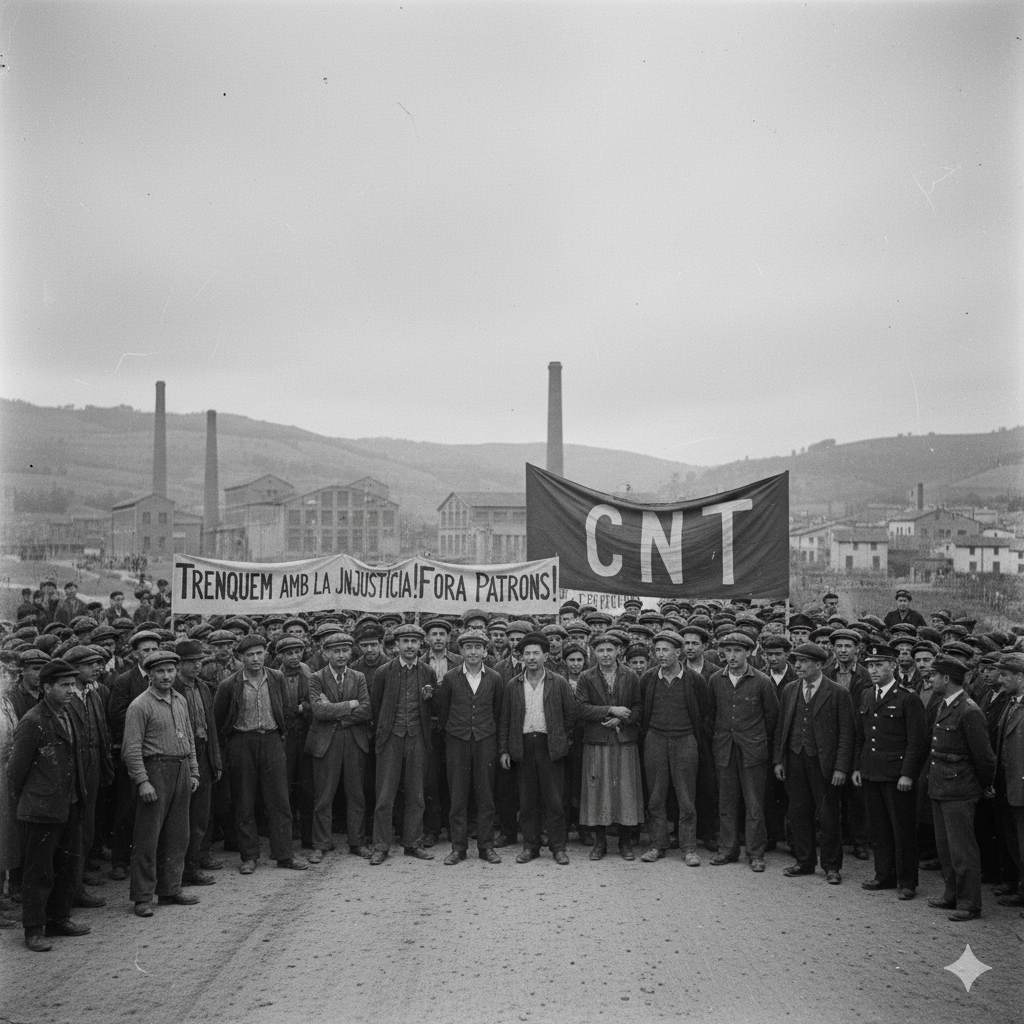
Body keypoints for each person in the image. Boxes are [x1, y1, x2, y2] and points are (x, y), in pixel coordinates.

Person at [7, 659, 90, 952]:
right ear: (46, 688)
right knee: (39, 871)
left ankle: (59, 918)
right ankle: (33, 929)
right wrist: (35, 799)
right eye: (64, 685)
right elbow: (15, 772)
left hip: (70, 803)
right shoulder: (33, 721)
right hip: (41, 808)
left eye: (72, 684)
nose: (71, 690)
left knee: (66, 866)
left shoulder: (67, 713)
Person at [213, 634, 309, 874]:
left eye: (259, 653)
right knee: (244, 801)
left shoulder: (276, 678)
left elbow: (285, 708)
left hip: (272, 740)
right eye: (249, 655)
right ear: (241, 658)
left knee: (279, 799)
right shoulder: (229, 684)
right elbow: (218, 719)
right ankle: (249, 857)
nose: (255, 659)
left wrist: (279, 735)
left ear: (265, 654)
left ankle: (284, 854)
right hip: (241, 741)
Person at [122, 650, 201, 917]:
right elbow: (131, 749)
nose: (166, 676)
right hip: (155, 769)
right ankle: (142, 896)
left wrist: (193, 771)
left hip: (180, 769)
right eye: (160, 671)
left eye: (170, 671)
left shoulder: (179, 699)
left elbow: (188, 738)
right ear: (150, 675)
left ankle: (170, 889)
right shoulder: (140, 705)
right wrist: (142, 781)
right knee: (148, 837)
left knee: (178, 835)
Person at [773, 643, 856, 885]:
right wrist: (779, 760)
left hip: (825, 763)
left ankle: (831, 866)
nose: (797, 665)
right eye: (796, 661)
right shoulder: (790, 689)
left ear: (819, 665)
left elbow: (846, 734)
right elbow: (782, 727)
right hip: (795, 759)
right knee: (798, 813)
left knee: (829, 815)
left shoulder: (838, 693)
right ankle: (804, 861)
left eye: (804, 661)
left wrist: (841, 767)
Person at [853, 643, 929, 900]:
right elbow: (861, 736)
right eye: (870, 665)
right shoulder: (866, 695)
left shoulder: (908, 698)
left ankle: (907, 881)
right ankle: (883, 874)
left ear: (893, 666)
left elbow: (917, 741)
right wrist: (857, 767)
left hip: (897, 775)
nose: (872, 670)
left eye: (878, 665)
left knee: (902, 829)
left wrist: (907, 773)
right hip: (872, 771)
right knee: (878, 828)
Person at [925, 655, 996, 921]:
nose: (930, 680)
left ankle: (969, 903)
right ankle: (951, 894)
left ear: (946, 678)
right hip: (941, 787)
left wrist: (984, 785)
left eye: (934, 675)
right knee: (946, 849)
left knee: (962, 850)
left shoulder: (969, 710)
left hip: (960, 789)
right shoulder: (945, 705)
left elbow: (985, 757)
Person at [498, 631, 576, 865]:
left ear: (545, 656)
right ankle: (530, 847)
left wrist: (561, 742)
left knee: (554, 800)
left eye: (536, 653)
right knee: (528, 800)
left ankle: (558, 847)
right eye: (527, 654)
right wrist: (504, 750)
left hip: (549, 746)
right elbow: (505, 719)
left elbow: (570, 716)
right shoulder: (513, 684)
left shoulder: (558, 682)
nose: (531, 658)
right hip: (523, 746)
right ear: (521, 657)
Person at [708, 632, 779, 872]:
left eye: (737, 651)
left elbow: (772, 717)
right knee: (726, 802)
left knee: (754, 804)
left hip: (752, 750)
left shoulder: (762, 681)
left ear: (748, 652)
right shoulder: (716, 679)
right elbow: (711, 712)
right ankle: (727, 850)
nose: (732, 656)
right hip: (724, 748)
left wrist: (755, 738)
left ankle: (755, 853)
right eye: (727, 651)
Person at [432, 629, 504, 865]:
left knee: (486, 796)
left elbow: (497, 711)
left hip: (485, 741)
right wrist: (457, 730)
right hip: (457, 741)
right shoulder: (451, 678)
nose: (473, 652)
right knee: (458, 796)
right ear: (460, 651)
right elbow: (443, 713)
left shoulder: (494, 678)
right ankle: (458, 848)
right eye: (468, 647)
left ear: (485, 650)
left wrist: (484, 731)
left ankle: (486, 847)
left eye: (478, 647)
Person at [639, 630, 709, 866]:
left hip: (685, 740)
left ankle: (688, 848)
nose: (661, 655)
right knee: (656, 796)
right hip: (655, 739)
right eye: (657, 650)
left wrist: (693, 740)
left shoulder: (694, 680)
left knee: (686, 797)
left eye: (666, 650)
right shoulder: (648, 678)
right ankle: (658, 844)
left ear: (678, 652)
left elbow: (704, 712)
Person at [368, 623, 436, 865]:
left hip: (417, 737)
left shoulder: (427, 672)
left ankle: (412, 843)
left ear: (420, 645)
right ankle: (381, 846)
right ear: (396, 645)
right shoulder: (384, 672)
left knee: (416, 794)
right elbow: (376, 706)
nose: (409, 646)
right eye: (405, 641)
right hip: (391, 738)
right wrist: (385, 731)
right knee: (385, 795)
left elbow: (431, 707)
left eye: (414, 642)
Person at [576, 633, 644, 861]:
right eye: (600, 650)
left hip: (624, 740)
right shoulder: (587, 677)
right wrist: (610, 710)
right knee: (598, 791)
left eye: (609, 650)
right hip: (597, 741)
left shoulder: (631, 675)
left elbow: (638, 707)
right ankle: (600, 843)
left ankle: (625, 842)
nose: (605, 655)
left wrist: (622, 719)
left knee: (625, 790)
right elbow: (581, 709)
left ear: (618, 652)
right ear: (593, 653)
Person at [305, 631, 371, 863]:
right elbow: (319, 711)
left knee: (356, 794)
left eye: (345, 650)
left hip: (354, 740)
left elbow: (366, 709)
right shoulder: (316, 678)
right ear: (325, 653)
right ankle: (321, 844)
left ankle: (357, 842)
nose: (341, 655)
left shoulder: (358, 677)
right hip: (326, 742)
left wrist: (339, 713)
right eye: (336, 651)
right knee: (324, 795)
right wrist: (350, 704)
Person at [173, 640, 222, 886]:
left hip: (202, 754)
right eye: (192, 662)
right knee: (179, 817)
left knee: (200, 816)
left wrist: (216, 760)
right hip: (180, 757)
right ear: (179, 664)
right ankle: (176, 871)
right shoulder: (172, 687)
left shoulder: (204, 687)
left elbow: (210, 726)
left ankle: (193, 866)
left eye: (199, 661)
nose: (197, 666)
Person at [993, 653, 1024, 908]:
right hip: (1009, 786)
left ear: (1020, 677)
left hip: (1021, 787)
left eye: (1004, 675)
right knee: (1014, 842)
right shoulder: (1011, 702)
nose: (1000, 679)